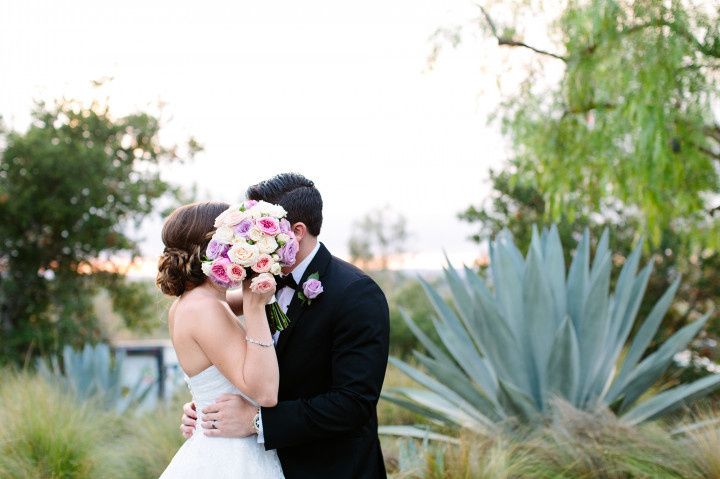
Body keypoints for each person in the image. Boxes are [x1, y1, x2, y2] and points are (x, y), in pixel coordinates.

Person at [181, 173, 391, 478]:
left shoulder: (357, 294)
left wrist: (257, 420)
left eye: (257, 229)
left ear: (296, 231)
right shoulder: (260, 283)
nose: (248, 238)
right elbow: (252, 363)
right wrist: (209, 408)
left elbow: (353, 404)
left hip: (332, 469)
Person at [157, 201, 285, 478]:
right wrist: (254, 307)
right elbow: (265, 392)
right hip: (231, 455)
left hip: (217, 442)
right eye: (236, 238)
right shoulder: (205, 309)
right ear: (214, 248)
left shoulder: (193, 302)